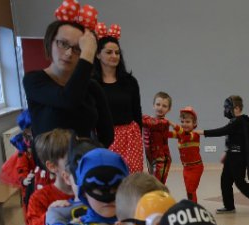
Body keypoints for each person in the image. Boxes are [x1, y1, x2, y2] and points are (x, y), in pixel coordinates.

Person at [23, 14, 113, 148]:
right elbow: (68, 99)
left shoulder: (92, 87)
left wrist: (90, 154)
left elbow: (107, 134)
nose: (69, 53)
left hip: (83, 159)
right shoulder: (34, 80)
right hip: (48, 160)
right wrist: (88, 54)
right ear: (50, 42)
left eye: (78, 48)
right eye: (63, 44)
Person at [197, 96, 249, 215]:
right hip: (232, 156)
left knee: (240, 183)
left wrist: (202, 132)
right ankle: (229, 206)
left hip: (238, 158)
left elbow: (223, 131)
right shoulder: (236, 121)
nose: (226, 110)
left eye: (228, 108)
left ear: (237, 108)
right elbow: (233, 139)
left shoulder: (240, 121)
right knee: (225, 181)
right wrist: (227, 152)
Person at [92, 24, 143, 173]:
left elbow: (137, 111)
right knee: (108, 175)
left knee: (132, 177)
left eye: (117, 52)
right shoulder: (92, 83)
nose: (114, 56)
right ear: (98, 55)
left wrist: (137, 135)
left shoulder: (129, 81)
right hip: (103, 137)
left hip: (130, 138)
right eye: (109, 52)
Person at [169, 106, 204, 203]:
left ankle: (193, 208)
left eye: (188, 122)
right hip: (186, 168)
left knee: (191, 190)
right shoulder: (180, 135)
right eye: (182, 121)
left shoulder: (194, 135)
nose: (184, 124)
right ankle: (191, 205)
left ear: (194, 123)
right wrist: (159, 129)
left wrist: (172, 124)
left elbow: (184, 135)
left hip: (196, 168)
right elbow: (169, 134)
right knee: (189, 190)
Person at [142, 92, 173, 184]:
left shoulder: (164, 123)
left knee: (158, 184)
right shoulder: (148, 119)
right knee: (153, 182)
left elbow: (149, 123)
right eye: (158, 104)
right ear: (153, 105)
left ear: (169, 109)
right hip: (150, 157)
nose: (160, 108)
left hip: (162, 159)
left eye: (164, 106)